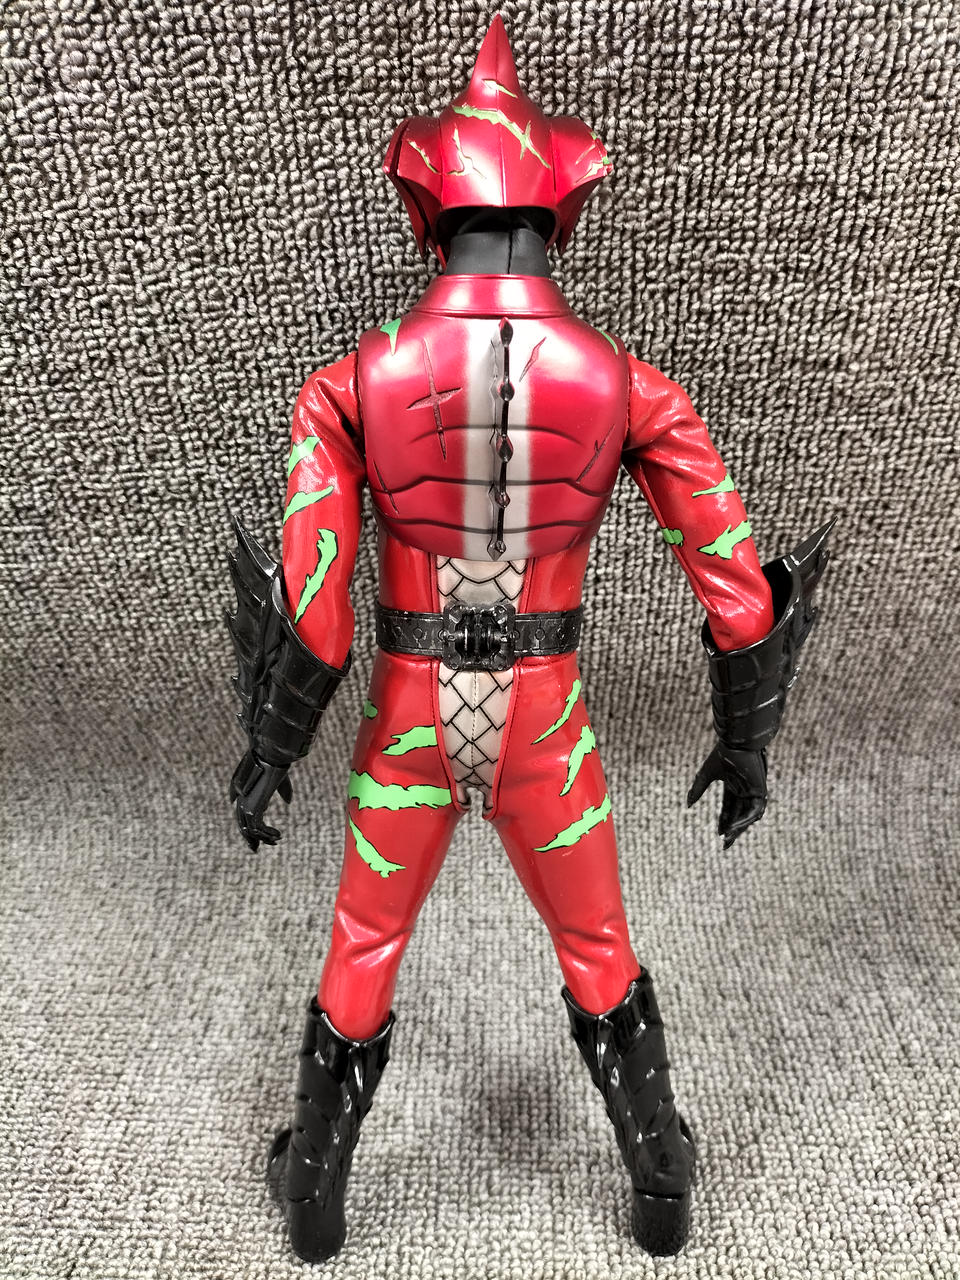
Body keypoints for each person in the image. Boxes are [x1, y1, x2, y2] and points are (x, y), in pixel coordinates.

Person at [227, 14, 830, 1263]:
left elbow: (318, 606)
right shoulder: (627, 383)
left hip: (410, 710)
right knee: (597, 942)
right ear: (561, 199)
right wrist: (746, 742)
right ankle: (660, 1176)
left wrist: (273, 745)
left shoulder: (349, 384)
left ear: (427, 199)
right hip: (545, 718)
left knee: (366, 939)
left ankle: (315, 1196)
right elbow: (733, 583)